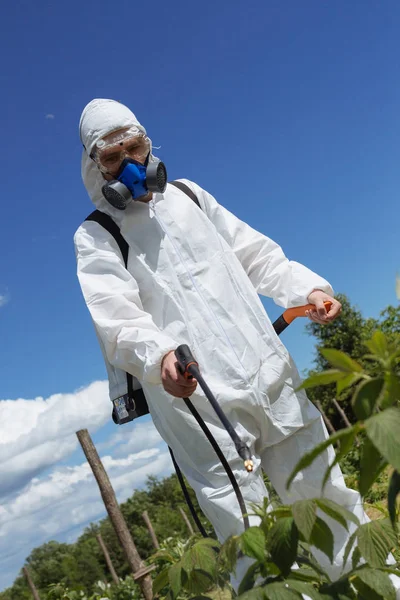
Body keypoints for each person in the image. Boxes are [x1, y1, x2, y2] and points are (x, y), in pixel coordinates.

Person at [74, 98, 397, 594]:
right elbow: (116, 318)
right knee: (248, 530)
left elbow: (256, 255)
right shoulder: (97, 235)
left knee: (326, 492)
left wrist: (304, 291)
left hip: (269, 374)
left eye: (134, 148)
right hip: (197, 400)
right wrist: (158, 357)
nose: (130, 165)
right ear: (95, 166)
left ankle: (381, 587)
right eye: (113, 158)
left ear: (147, 143)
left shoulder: (189, 196)